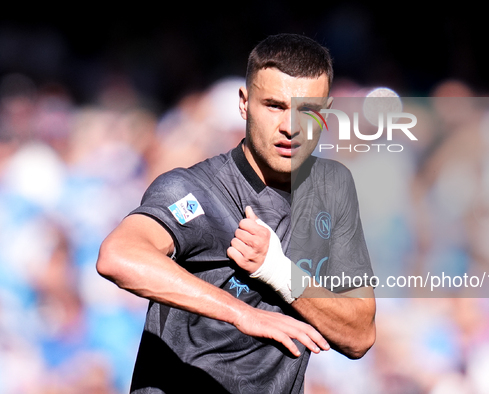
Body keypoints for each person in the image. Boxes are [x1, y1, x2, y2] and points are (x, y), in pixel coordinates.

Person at [97, 33, 376, 394]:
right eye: (274, 106)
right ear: (244, 104)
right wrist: (243, 314)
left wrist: (276, 272)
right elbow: (117, 257)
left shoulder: (333, 188)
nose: (290, 127)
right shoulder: (196, 189)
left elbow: (359, 334)